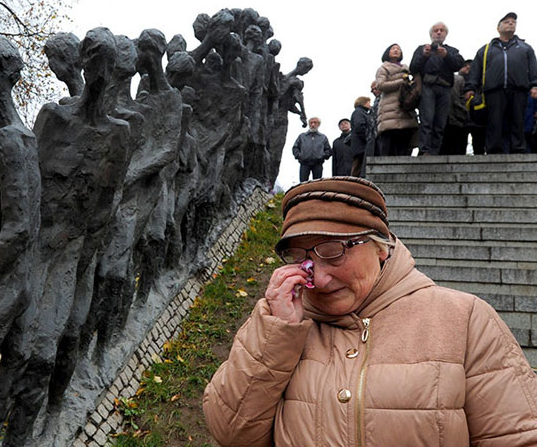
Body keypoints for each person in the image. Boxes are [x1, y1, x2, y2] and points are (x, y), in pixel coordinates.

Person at [204, 176, 537, 446]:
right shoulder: (279, 323)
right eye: (301, 258)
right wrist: (277, 335)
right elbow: (231, 433)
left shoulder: (465, 320)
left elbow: (518, 437)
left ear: (380, 246)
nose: (317, 279)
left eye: (333, 252)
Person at [465, 12, 537, 154]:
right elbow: (475, 70)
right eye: (506, 22)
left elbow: (533, 68)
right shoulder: (486, 49)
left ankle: (518, 150)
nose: (511, 23)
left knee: (518, 121)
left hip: (519, 89)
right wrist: (470, 88)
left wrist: (534, 85)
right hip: (494, 90)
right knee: (495, 122)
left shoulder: (525, 48)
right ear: (498, 28)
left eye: (513, 22)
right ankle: (494, 150)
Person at [409, 22, 464, 155]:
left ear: (445, 34)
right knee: (427, 120)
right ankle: (424, 151)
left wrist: (446, 56)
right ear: (431, 34)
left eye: (442, 30)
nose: (439, 32)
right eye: (436, 30)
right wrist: (424, 56)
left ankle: (435, 151)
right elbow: (413, 68)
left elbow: (459, 64)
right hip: (427, 87)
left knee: (440, 123)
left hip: (445, 89)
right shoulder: (422, 49)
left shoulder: (451, 50)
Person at [376, 43, 418, 156]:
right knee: (388, 144)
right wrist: (400, 82)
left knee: (403, 144)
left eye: (398, 49)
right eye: (393, 48)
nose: (396, 50)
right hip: (389, 109)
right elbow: (380, 85)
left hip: (405, 108)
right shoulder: (383, 68)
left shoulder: (407, 69)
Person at [442, 60, 472, 155]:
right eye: (465, 66)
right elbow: (455, 100)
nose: (467, 68)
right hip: (458, 119)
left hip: (459, 119)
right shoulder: (457, 79)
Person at [291, 116, 330, 182]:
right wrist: (300, 156)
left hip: (318, 164)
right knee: (303, 184)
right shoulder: (302, 136)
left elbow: (328, 150)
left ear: (319, 124)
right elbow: (295, 148)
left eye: (315, 123)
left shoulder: (323, 137)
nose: (313, 125)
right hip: (304, 163)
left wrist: (322, 156)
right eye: (311, 123)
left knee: (317, 184)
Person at [349, 97, 374, 178]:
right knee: (357, 168)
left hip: (360, 145)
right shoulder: (359, 112)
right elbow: (359, 126)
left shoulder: (362, 112)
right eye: (368, 103)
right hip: (360, 146)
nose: (370, 105)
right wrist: (368, 138)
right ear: (363, 103)